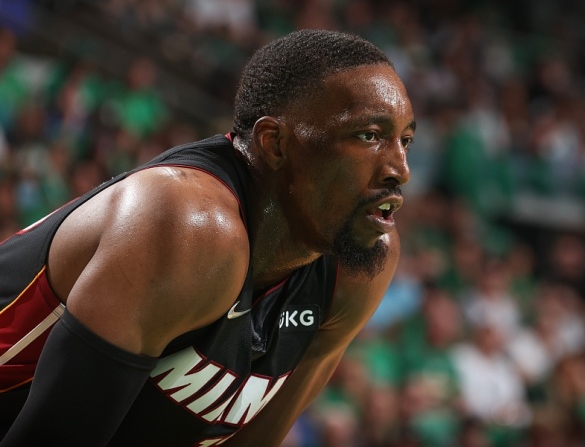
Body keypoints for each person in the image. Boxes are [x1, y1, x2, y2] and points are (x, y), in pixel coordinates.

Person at [0, 29, 415, 446]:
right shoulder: (187, 225)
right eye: (369, 136)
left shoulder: (355, 267)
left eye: (406, 141)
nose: (400, 170)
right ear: (274, 144)